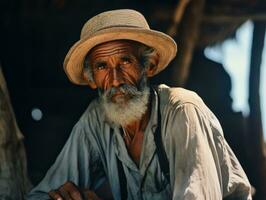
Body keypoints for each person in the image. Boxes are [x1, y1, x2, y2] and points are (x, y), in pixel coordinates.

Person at [26, 9, 252, 200]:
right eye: (102, 67)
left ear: (149, 66)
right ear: (92, 80)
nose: (115, 80)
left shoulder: (182, 112)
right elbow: (41, 194)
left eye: (125, 61)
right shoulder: (97, 121)